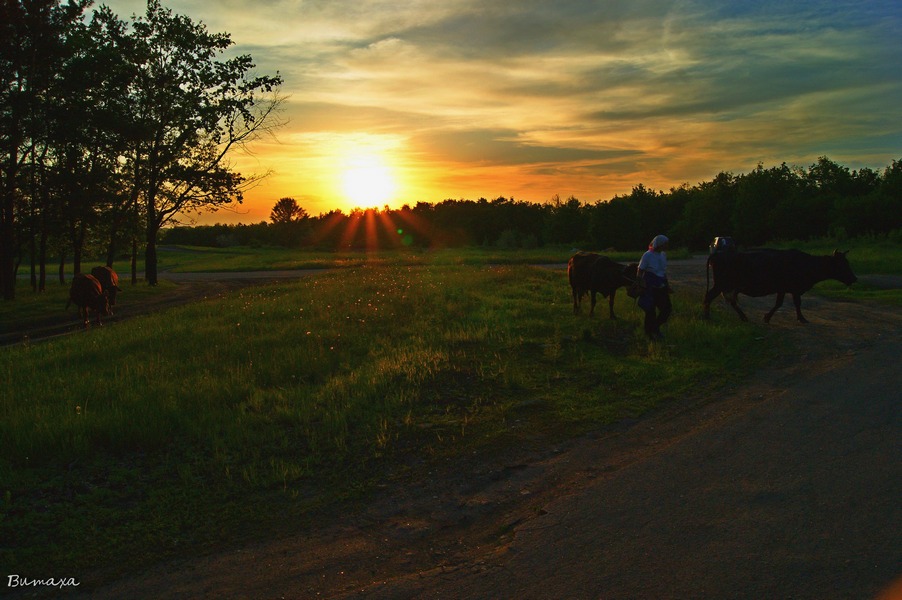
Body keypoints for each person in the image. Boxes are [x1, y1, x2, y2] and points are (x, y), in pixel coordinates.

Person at [637, 234, 672, 340]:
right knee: (650, 311)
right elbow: (640, 270)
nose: (667, 246)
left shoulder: (663, 255)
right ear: (660, 244)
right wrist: (641, 284)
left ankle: (654, 328)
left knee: (667, 309)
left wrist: (667, 285)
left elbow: (662, 272)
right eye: (665, 244)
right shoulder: (647, 255)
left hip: (661, 286)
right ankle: (649, 333)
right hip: (650, 286)